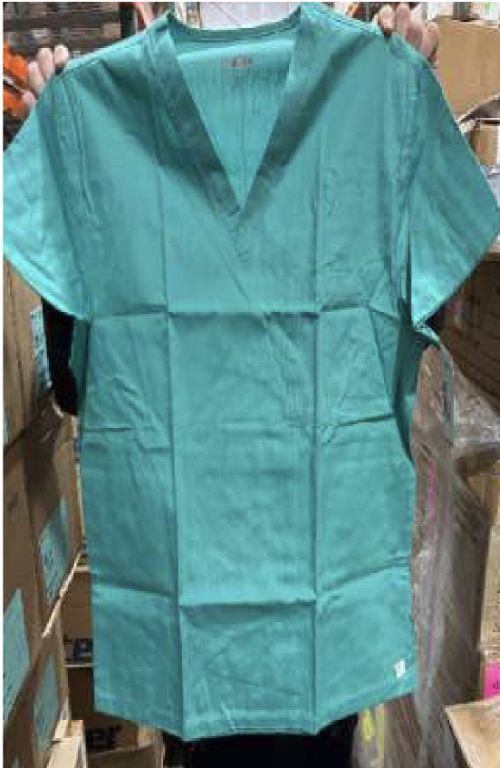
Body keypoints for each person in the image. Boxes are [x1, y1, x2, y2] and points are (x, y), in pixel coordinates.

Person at [17, 4, 439, 767]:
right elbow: (80, 381)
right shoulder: (99, 120)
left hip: (302, 645)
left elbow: (428, 312)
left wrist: (406, 120)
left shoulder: (375, 101)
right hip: (210, 652)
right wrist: (67, 157)